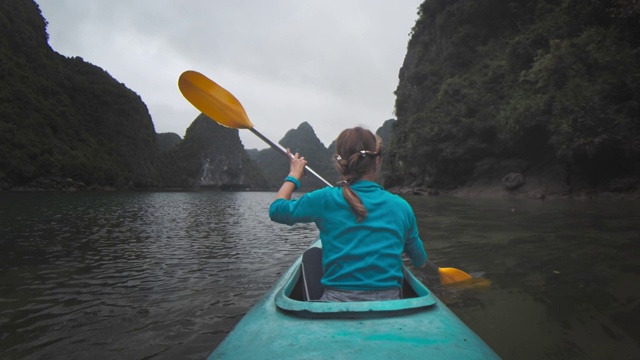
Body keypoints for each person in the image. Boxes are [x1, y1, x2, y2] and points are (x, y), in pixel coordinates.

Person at [269, 127, 427, 302]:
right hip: (390, 302)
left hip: (335, 302)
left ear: (340, 163)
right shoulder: (401, 206)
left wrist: (294, 175)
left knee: (312, 256)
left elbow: (277, 210)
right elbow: (419, 260)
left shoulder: (324, 199)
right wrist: (432, 271)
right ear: (377, 162)